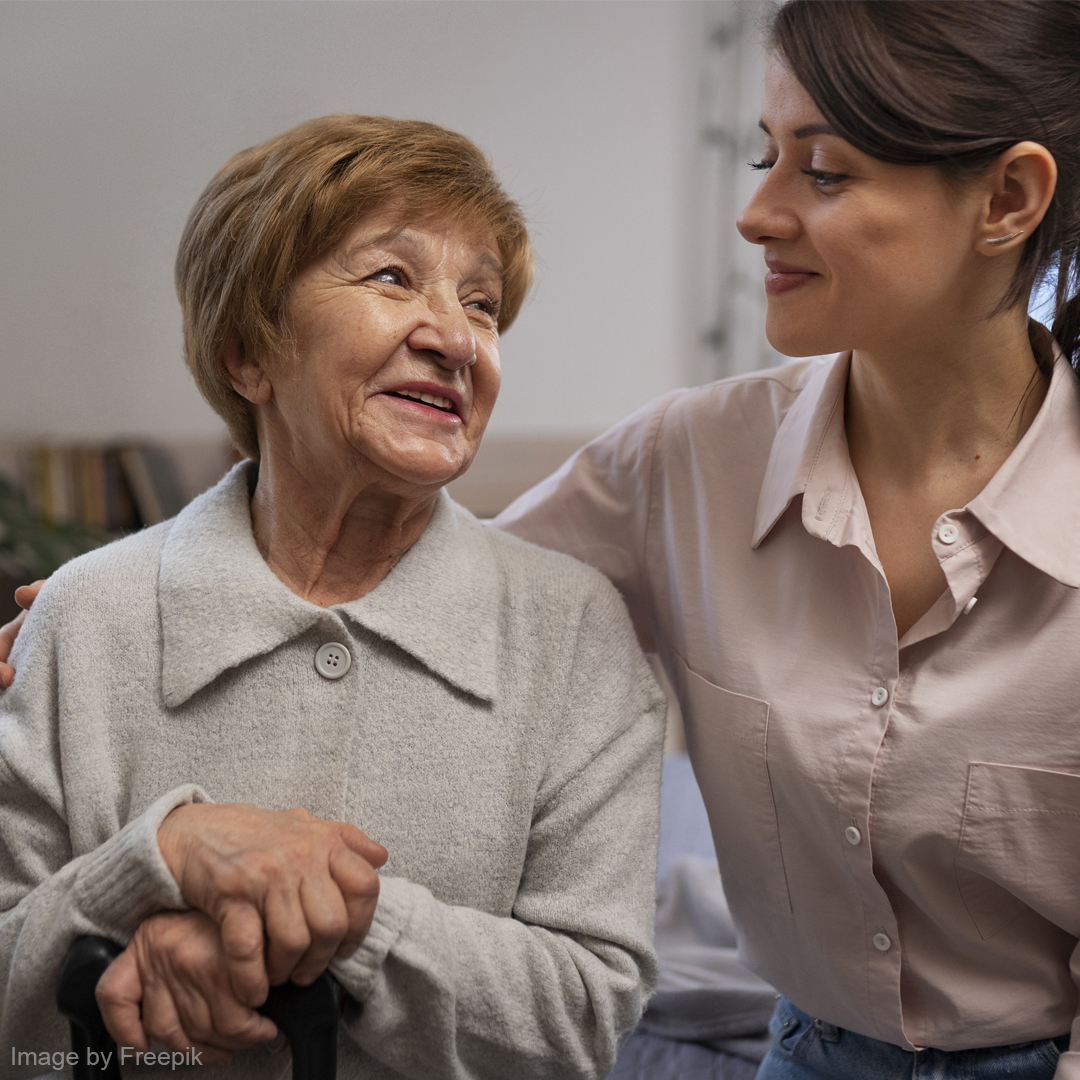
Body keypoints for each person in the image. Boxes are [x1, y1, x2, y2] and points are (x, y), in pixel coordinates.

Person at [0, 115, 666, 1078]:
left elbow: (583, 1017)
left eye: (482, 305)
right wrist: (165, 854)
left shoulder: (571, 631)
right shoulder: (84, 615)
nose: (455, 340)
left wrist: (338, 917)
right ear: (248, 356)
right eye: (393, 277)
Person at [492, 2, 1080, 1077]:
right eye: (766, 158)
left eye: (824, 172)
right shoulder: (686, 462)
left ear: (1008, 198)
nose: (756, 214)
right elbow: (441, 623)